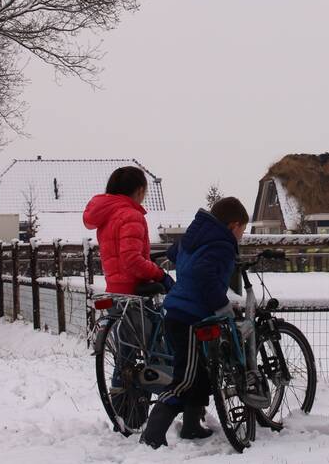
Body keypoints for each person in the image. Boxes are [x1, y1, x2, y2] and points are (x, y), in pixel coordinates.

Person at [139, 197, 253, 449]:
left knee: (200, 373)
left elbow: (173, 253)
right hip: (190, 319)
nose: (241, 237)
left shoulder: (197, 237)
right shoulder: (222, 244)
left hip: (180, 313)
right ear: (233, 225)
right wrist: (222, 306)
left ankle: (191, 426)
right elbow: (204, 274)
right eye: (242, 231)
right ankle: (153, 433)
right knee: (185, 379)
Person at [82, 166, 170, 295]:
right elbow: (131, 259)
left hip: (114, 291)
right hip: (134, 294)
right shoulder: (131, 215)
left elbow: (119, 253)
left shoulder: (109, 215)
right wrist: (160, 274)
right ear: (140, 190)